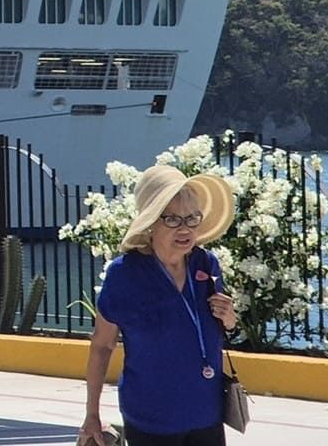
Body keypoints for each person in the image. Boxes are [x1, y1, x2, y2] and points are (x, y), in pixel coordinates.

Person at [82, 165, 238, 446]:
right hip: (151, 419)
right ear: (152, 222)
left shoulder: (207, 264)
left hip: (207, 414)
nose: (185, 229)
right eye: (173, 220)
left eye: (192, 219)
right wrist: (91, 413)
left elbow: (218, 328)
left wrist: (229, 318)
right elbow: (102, 346)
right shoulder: (124, 274)